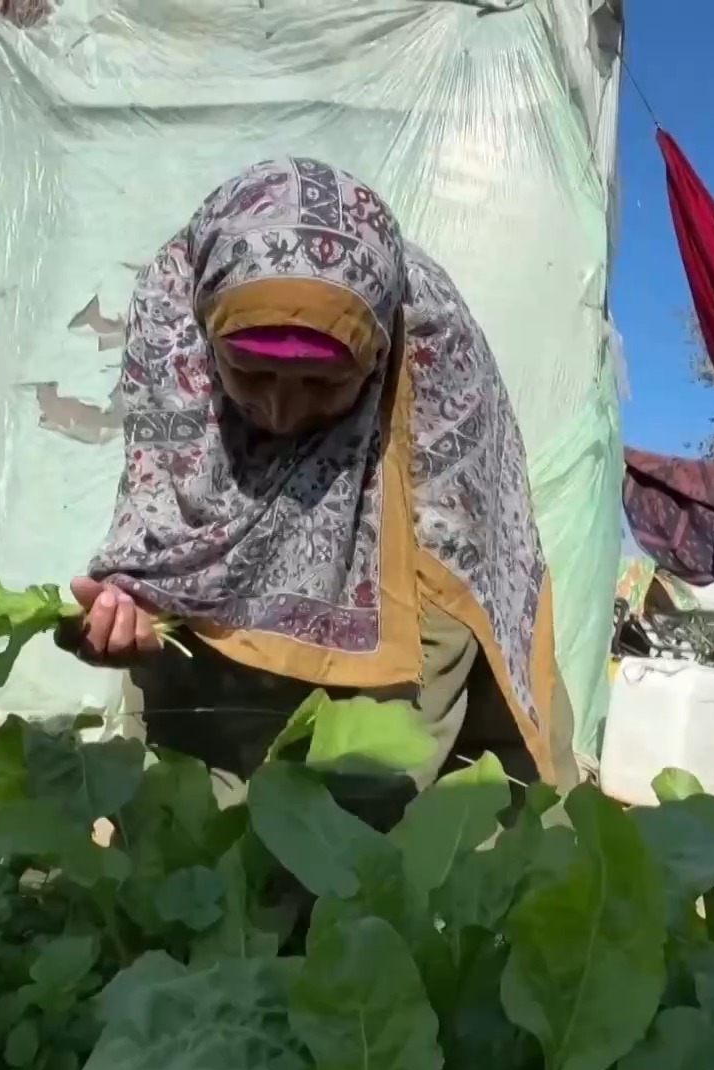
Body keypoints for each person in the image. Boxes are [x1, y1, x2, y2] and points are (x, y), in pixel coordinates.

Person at [58, 157, 575, 825]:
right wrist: (123, 613)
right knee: (185, 846)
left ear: (380, 358)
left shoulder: (432, 384)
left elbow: (422, 690)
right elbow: (164, 544)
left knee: (388, 840)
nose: (279, 411)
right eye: (250, 374)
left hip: (405, 637)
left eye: (322, 385)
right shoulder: (174, 339)